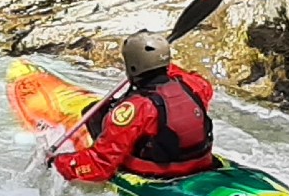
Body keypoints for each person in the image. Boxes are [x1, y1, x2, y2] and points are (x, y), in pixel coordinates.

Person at [51, 31, 216, 183]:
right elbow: (183, 75)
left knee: (95, 112)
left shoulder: (137, 108)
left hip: (160, 173)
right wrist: (160, 60)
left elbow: (101, 167)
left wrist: (59, 163)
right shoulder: (195, 86)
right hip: (201, 162)